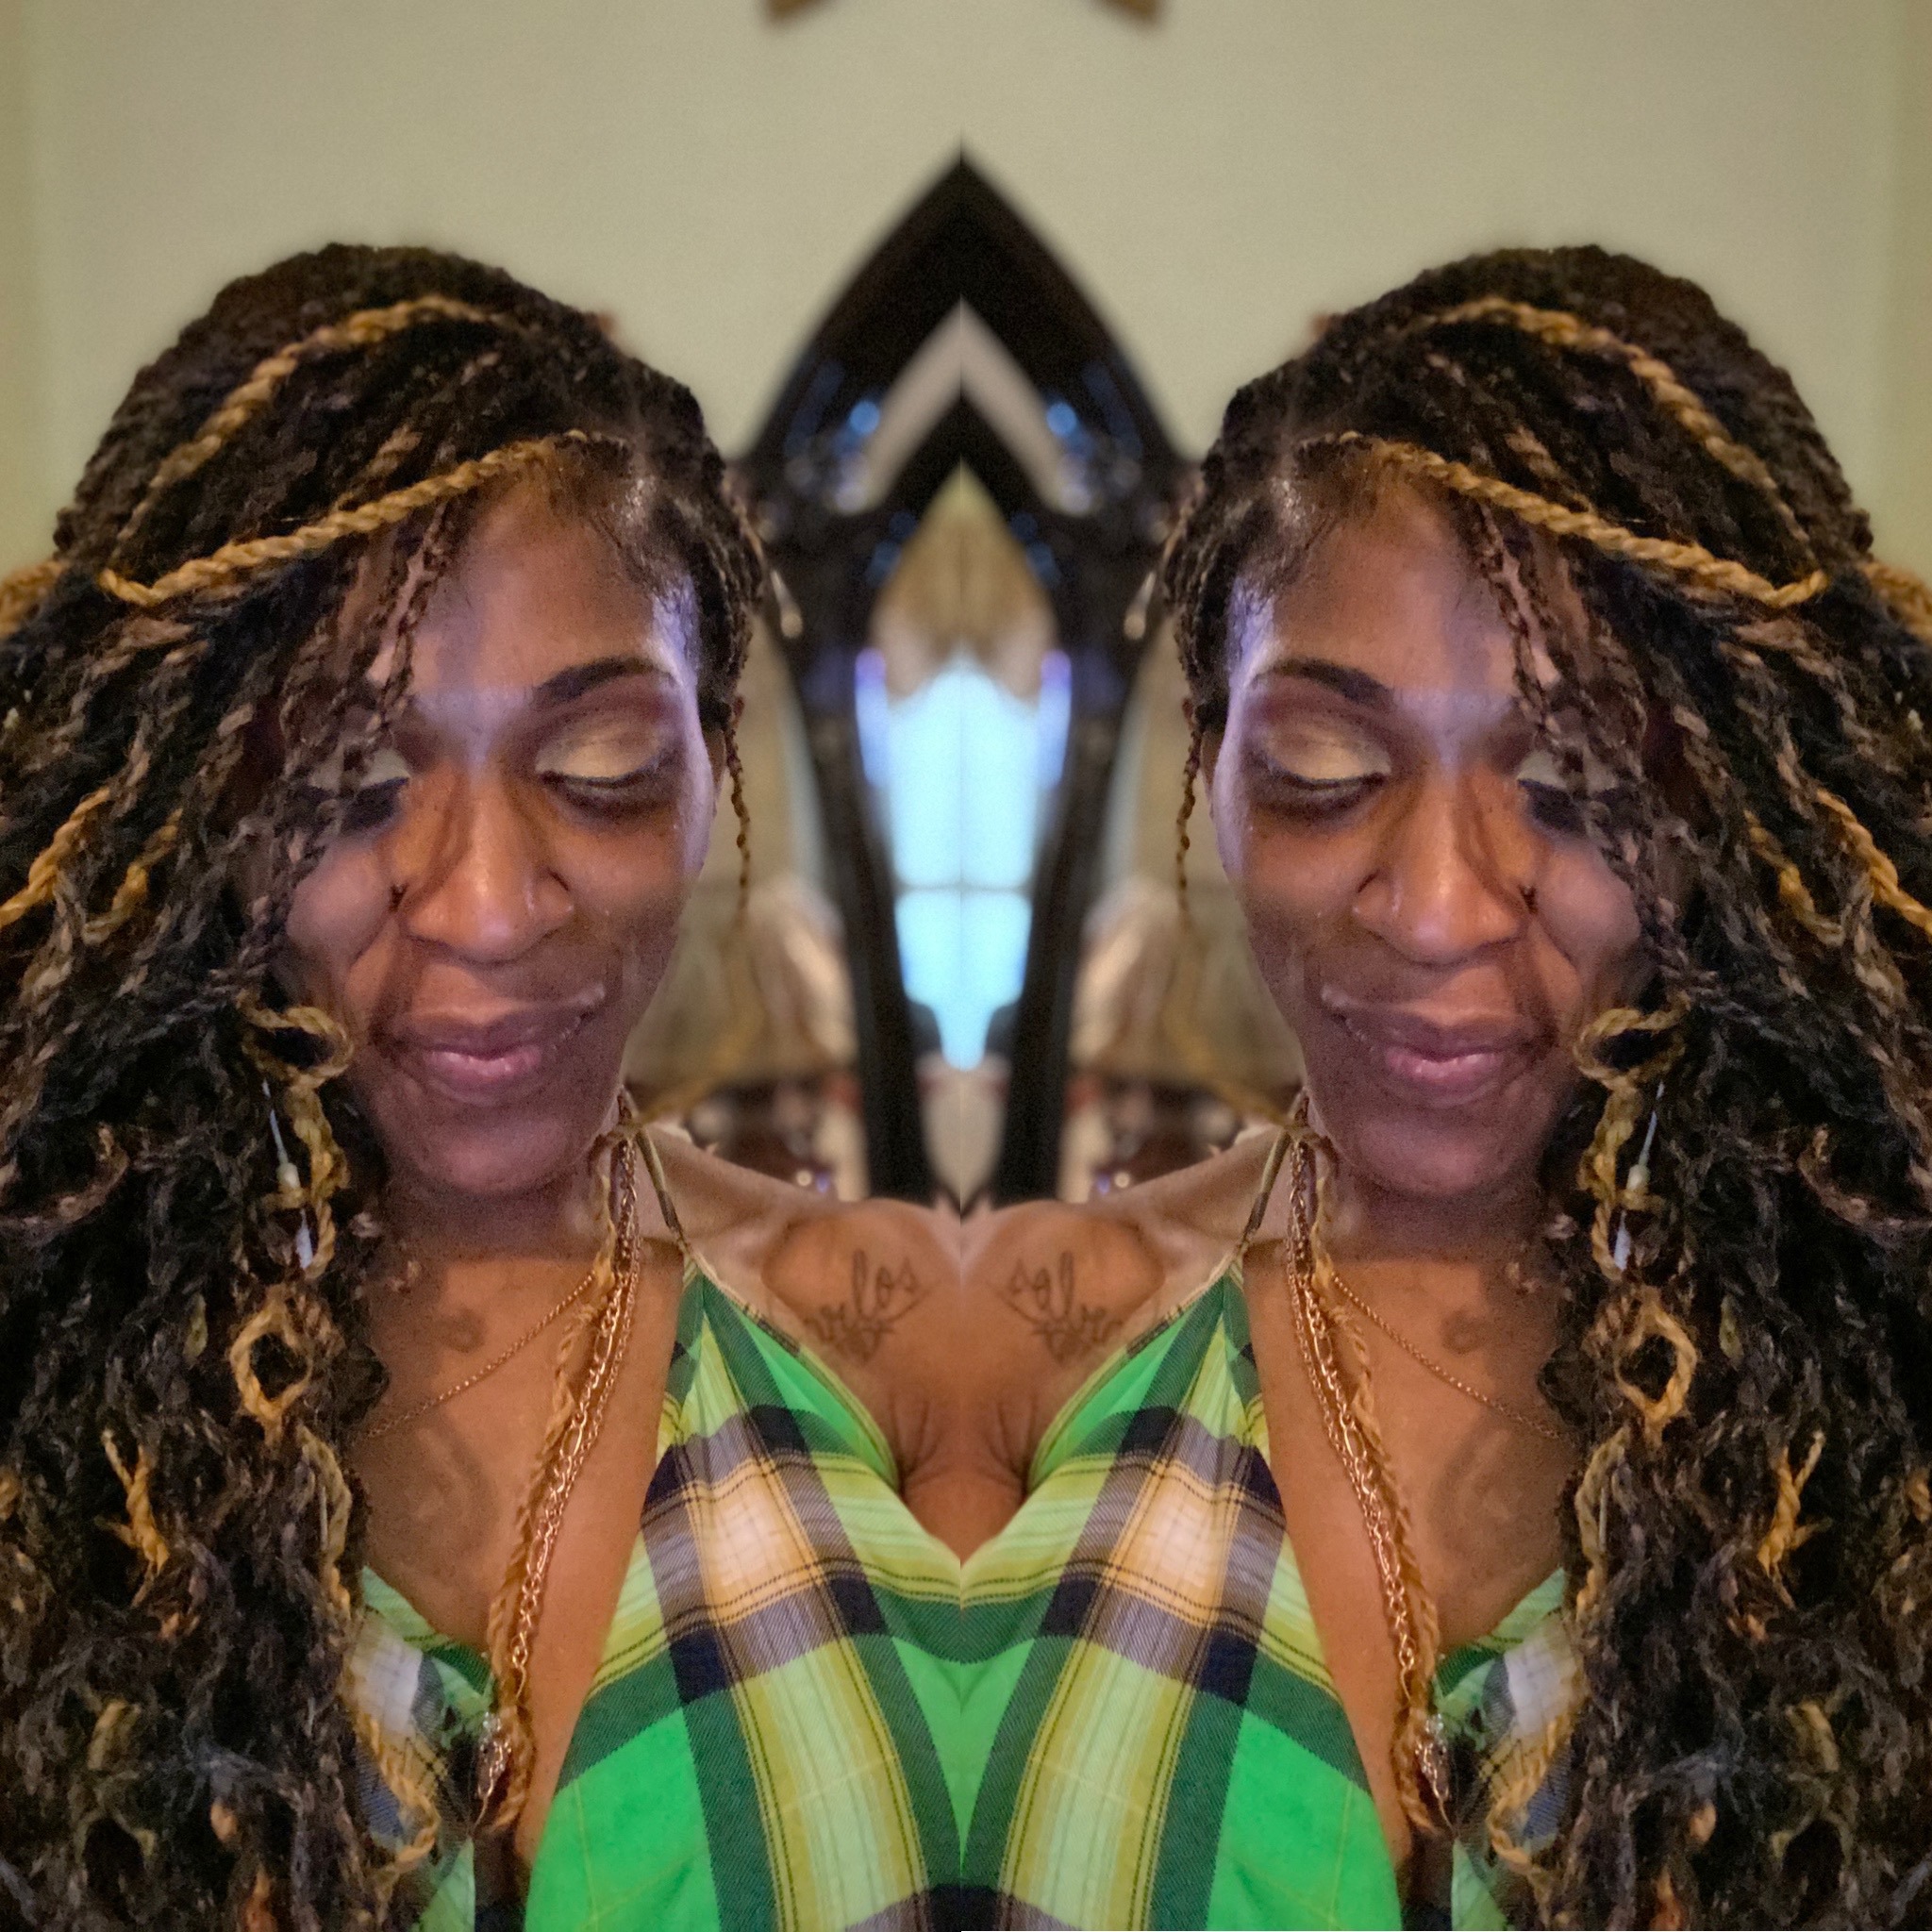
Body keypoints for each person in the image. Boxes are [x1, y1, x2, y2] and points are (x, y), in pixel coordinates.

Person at [946, 248, 1932, 1927]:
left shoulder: (1883, 1392)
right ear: (1213, 759)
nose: (1437, 907)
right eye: (1324, 774)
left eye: (1579, 783)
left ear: (1732, 808)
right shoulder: (1032, 1368)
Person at [0, 247, 959, 1930]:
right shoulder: (47, 1389)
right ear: (198, 807)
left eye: (602, 772)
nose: (492, 906)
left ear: (713, 759)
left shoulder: (893, 1363)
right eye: (348, 781)